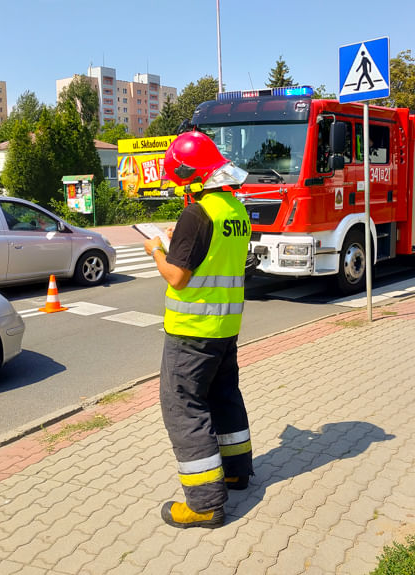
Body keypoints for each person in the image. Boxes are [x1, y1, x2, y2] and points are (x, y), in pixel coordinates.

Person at [144, 130, 253, 529]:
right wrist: (180, 241)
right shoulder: (234, 210)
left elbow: (177, 276)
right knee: (224, 396)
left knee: (184, 407)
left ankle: (205, 504)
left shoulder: (196, 213)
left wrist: (156, 248)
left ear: (193, 176)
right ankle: (237, 471)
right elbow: (213, 255)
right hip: (225, 328)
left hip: (192, 330)